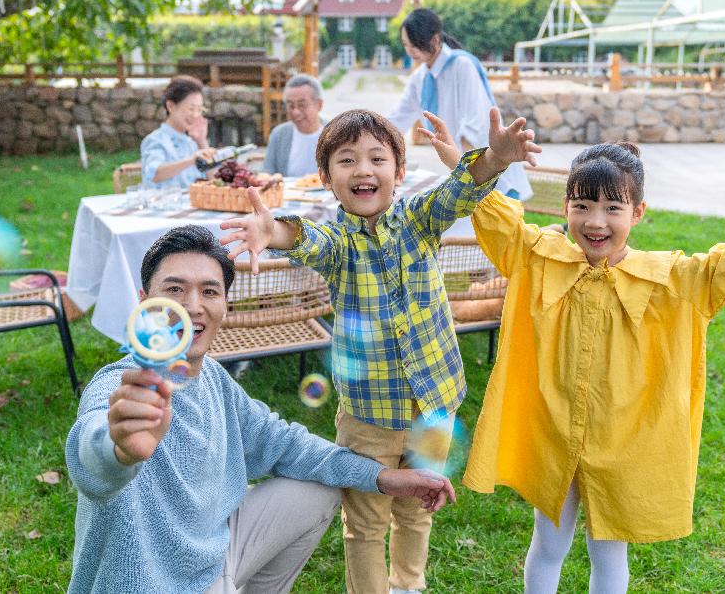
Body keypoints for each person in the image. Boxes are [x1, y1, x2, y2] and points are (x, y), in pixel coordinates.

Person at [419, 119, 725, 593]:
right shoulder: (536, 255)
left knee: (609, 552)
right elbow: (492, 210)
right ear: (566, 207)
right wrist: (483, 162)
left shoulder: (675, 280)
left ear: (638, 211)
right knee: (548, 543)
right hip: (552, 430)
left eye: (612, 208)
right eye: (581, 206)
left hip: (624, 443)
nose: (595, 221)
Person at [220, 108, 540, 594]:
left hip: (436, 404)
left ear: (399, 172)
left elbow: (459, 191)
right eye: (347, 161)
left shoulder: (420, 218)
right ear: (327, 179)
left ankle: (409, 585)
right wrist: (273, 232)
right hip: (369, 416)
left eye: (376, 158)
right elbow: (307, 238)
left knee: (417, 511)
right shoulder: (339, 244)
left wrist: (494, 158)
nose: (364, 170)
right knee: (366, 524)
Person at [65, 225, 457, 593]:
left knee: (316, 490)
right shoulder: (119, 386)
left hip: (213, 556)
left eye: (210, 291)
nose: (192, 306)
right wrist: (118, 451)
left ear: (225, 304)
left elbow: (284, 444)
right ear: (144, 302)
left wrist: (383, 477)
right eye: (175, 289)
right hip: (152, 582)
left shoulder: (214, 379)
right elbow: (91, 455)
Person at [387, 8, 532, 202]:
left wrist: (465, 174)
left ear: (435, 40)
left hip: (484, 163)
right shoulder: (420, 78)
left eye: (415, 44)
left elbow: (474, 122)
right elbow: (397, 119)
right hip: (461, 170)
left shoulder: (462, 65)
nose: (410, 50)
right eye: (406, 44)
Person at [140, 75, 218, 189]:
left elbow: (215, 181)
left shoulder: (192, 143)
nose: (196, 115)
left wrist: (202, 141)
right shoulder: (155, 140)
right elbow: (154, 174)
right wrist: (191, 161)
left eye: (199, 109)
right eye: (191, 108)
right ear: (170, 106)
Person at [262, 73, 328, 177]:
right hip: (288, 193)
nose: (296, 112)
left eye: (302, 105)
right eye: (291, 106)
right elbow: (267, 172)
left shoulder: (334, 133)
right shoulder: (279, 134)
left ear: (319, 105)